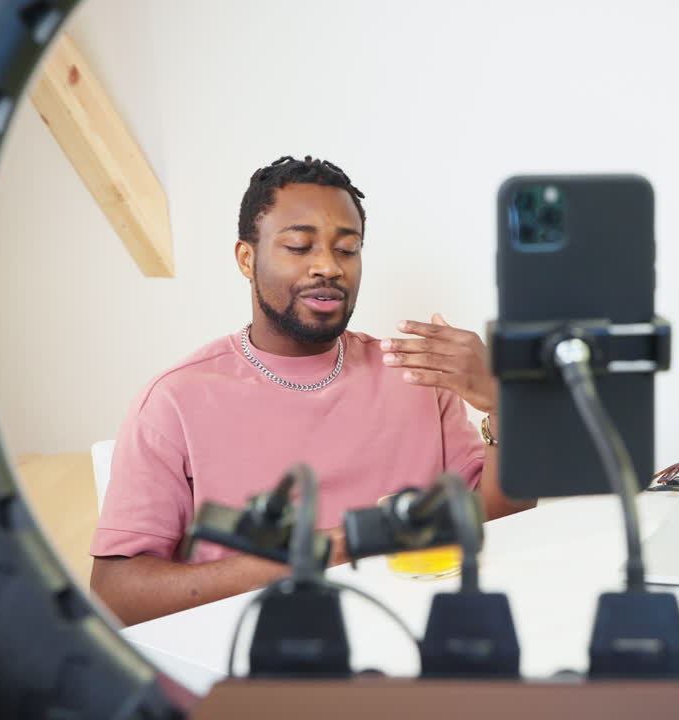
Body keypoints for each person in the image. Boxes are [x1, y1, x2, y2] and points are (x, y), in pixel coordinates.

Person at [89, 156, 531, 626]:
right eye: (299, 246)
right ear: (246, 258)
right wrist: (330, 550)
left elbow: (501, 521)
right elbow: (116, 595)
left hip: (410, 645)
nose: (328, 267)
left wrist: (502, 403)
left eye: (348, 249)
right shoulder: (175, 401)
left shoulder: (414, 375)